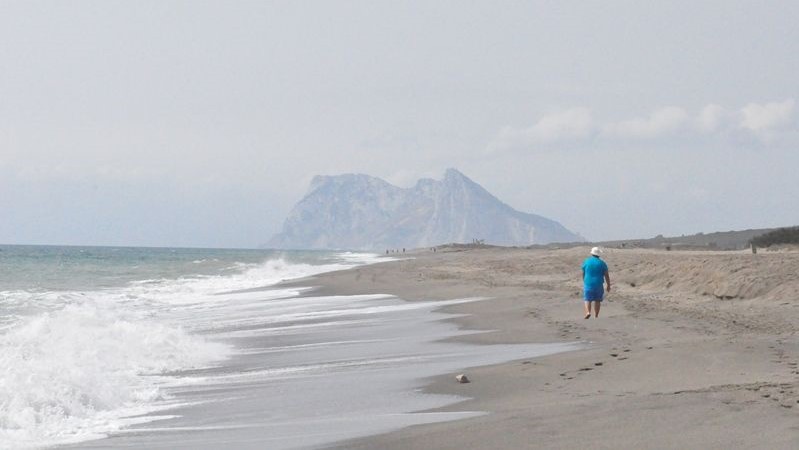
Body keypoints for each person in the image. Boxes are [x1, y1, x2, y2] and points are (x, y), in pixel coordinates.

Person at [581, 247, 610, 319]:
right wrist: (608, 285)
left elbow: (583, 272)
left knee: (587, 299)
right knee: (597, 300)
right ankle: (596, 315)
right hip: (598, 284)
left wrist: (584, 280)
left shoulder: (586, 261)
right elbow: (606, 275)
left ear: (592, 253)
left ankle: (588, 312)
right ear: (599, 254)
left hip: (588, 283)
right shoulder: (602, 263)